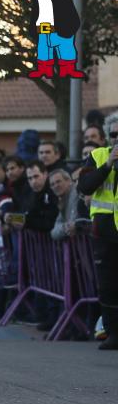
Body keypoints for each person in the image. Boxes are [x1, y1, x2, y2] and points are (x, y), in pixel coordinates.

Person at [77, 141, 118, 349]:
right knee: (108, 285)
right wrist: (108, 165)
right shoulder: (98, 155)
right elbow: (84, 185)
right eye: (114, 134)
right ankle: (113, 334)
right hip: (104, 232)